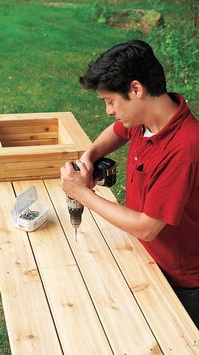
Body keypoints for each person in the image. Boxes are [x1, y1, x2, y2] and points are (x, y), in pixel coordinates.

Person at [60, 39, 199, 328]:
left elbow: (148, 227)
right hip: (148, 256)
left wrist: (81, 193)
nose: (109, 111)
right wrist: (90, 155)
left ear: (136, 90)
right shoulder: (145, 118)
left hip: (183, 280)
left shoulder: (184, 148)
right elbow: (116, 131)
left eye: (111, 101)